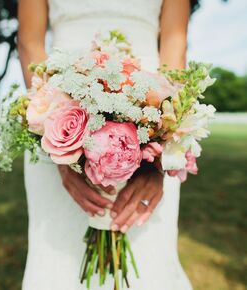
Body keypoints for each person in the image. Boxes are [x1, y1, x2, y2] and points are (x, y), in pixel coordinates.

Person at [18, 0, 193, 289]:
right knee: (57, 261)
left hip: (150, 104)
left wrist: (161, 148)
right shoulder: (56, 119)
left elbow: (176, 44)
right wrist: (55, 135)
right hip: (61, 94)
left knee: (149, 262)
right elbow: (29, 41)